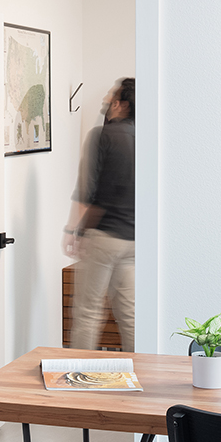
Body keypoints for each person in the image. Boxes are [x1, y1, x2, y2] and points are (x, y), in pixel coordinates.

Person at [63, 77, 135, 353]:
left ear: (120, 104)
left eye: (110, 96)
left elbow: (86, 191)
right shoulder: (144, 137)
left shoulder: (101, 136)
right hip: (133, 241)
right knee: (129, 316)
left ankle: (80, 380)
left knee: (88, 313)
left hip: (104, 237)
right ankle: (142, 378)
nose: (105, 101)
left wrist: (73, 231)